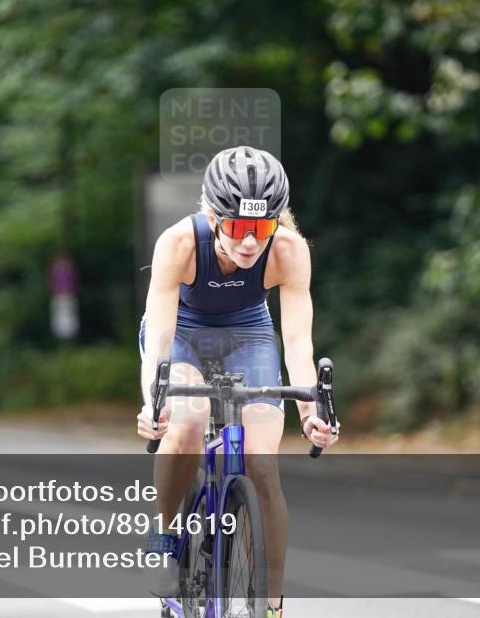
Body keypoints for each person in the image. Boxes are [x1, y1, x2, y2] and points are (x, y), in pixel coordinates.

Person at [137, 146, 340, 617]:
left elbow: (297, 343)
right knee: (188, 420)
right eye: (238, 228)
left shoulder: (289, 250)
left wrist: (311, 413)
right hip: (183, 332)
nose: (251, 242)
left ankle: (271, 606)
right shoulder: (179, 243)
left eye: (262, 228)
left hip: (248, 333)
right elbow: (161, 335)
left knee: (263, 466)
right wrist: (154, 403)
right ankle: (165, 537)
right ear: (213, 215)